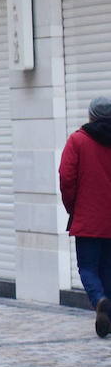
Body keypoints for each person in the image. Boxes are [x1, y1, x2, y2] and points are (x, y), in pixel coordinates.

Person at [60, 96, 111, 338]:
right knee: (108, 269)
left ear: (91, 115)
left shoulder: (78, 140)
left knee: (88, 267)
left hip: (89, 219)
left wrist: (73, 207)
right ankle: (107, 315)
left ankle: (100, 300)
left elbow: (66, 178)